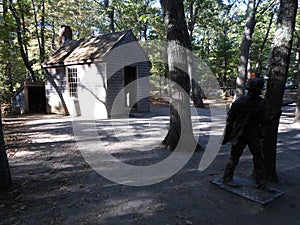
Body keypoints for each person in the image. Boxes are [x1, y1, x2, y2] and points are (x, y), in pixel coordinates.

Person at [221, 78, 266, 188]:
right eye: (253, 87)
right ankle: (227, 178)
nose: (255, 90)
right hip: (240, 134)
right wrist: (227, 136)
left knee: (258, 157)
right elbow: (230, 119)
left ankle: (260, 181)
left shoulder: (262, 103)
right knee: (234, 156)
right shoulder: (240, 102)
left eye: (257, 87)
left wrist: (272, 119)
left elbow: (262, 120)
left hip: (253, 133)